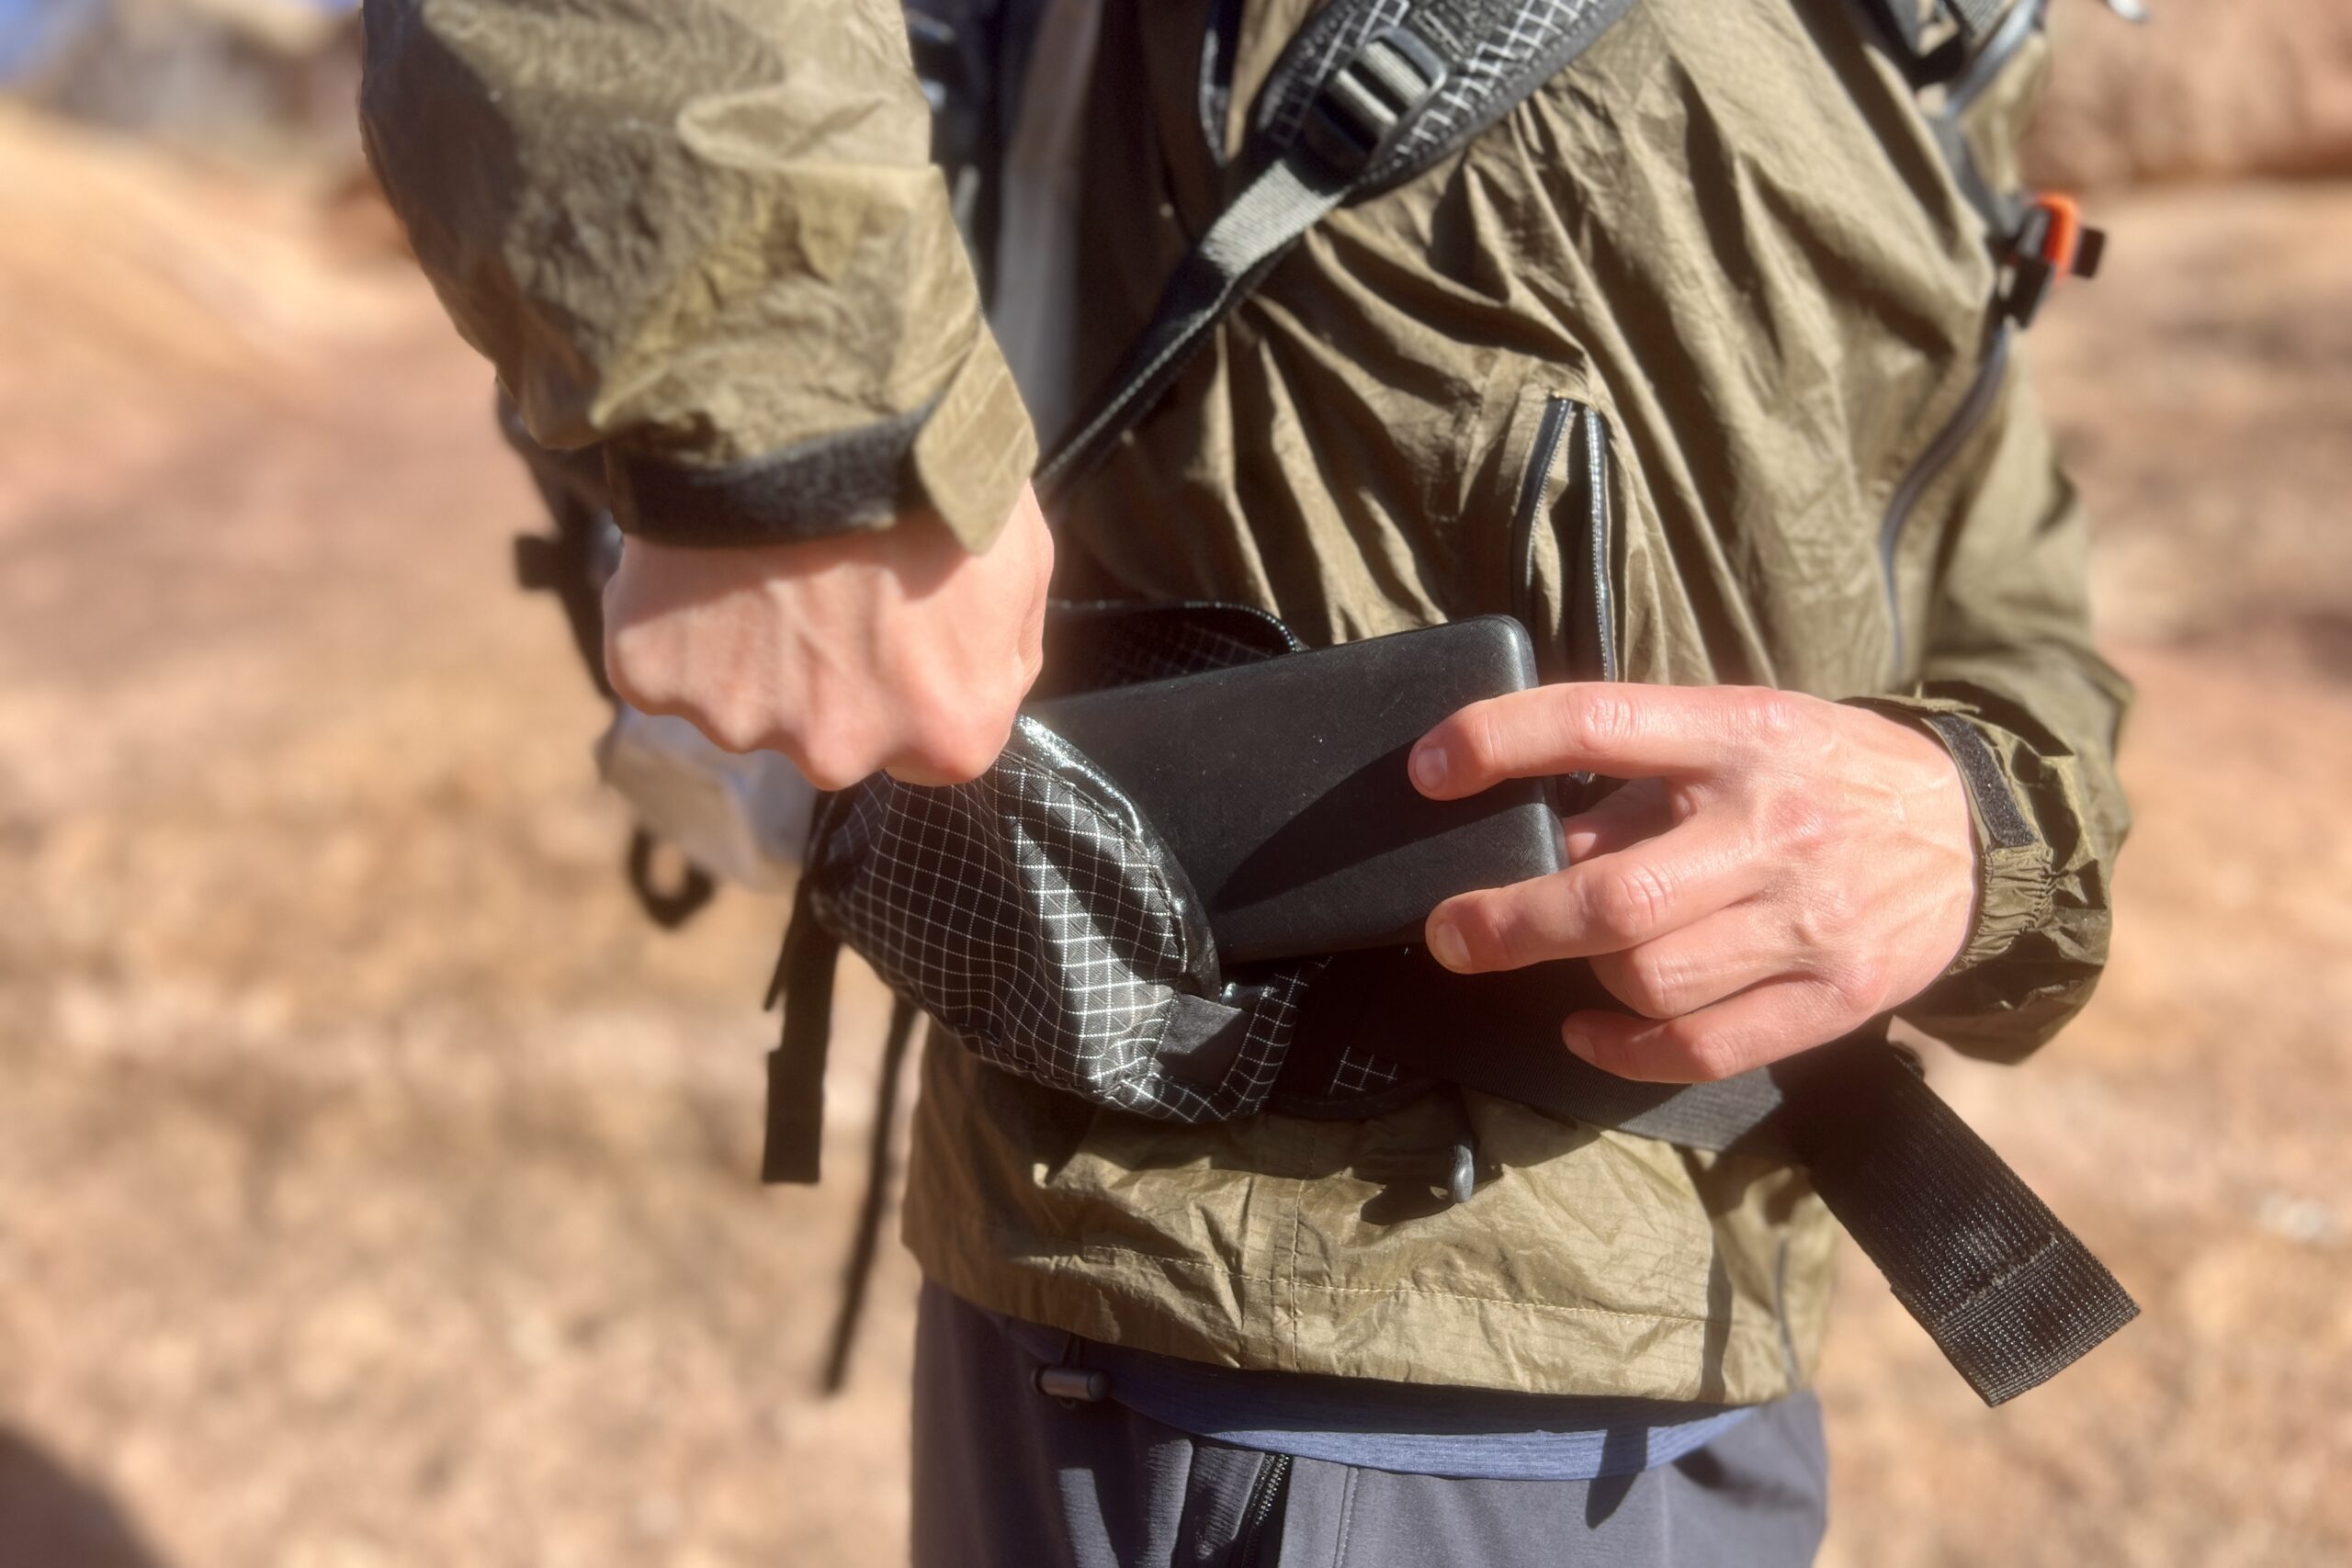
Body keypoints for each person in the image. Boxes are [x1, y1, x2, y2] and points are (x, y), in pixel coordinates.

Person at [359, 0, 2131, 1562]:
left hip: (1712, 1341)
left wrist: (1972, 821)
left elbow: (2002, 576)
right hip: (1295, 1346)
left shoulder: (1954, 43)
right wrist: (799, 437)